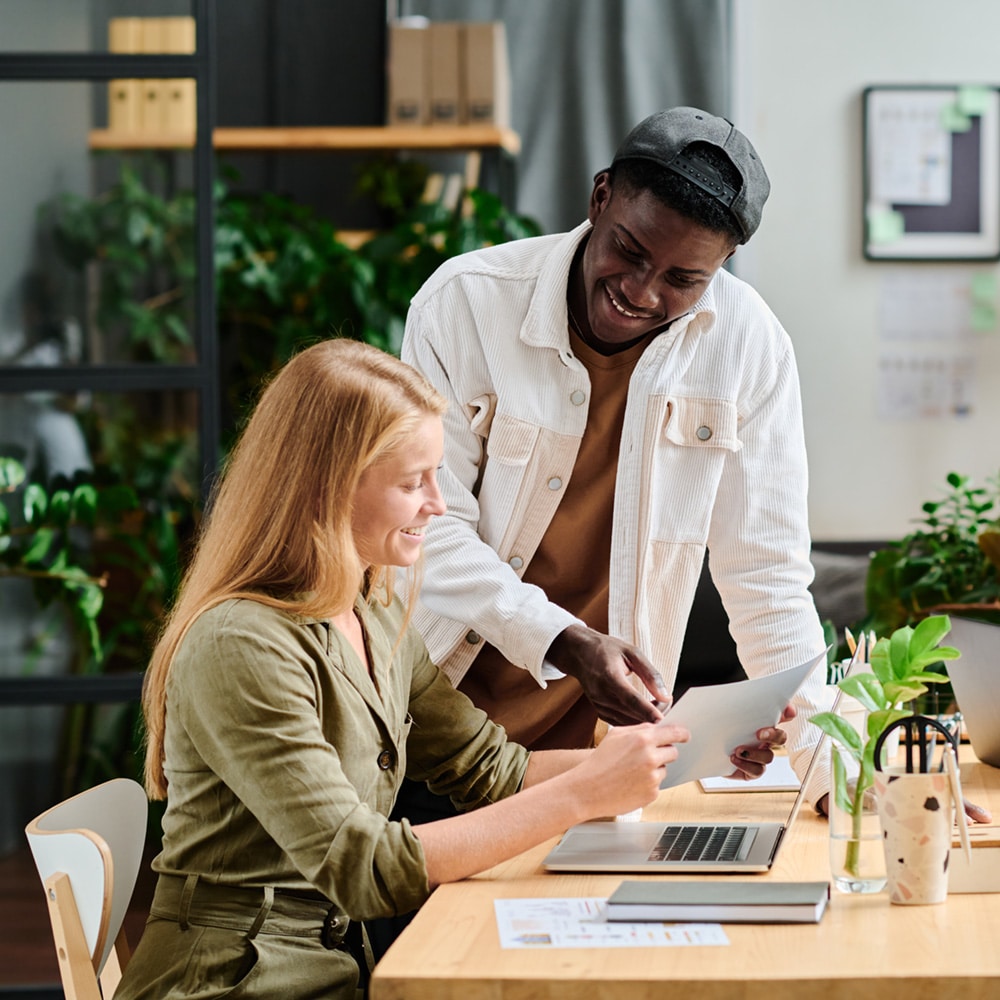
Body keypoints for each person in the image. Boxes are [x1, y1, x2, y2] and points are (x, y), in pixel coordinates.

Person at [115, 339, 687, 1000]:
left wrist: (678, 750)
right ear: (328, 488)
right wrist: (586, 793)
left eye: (437, 475)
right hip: (232, 981)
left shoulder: (374, 611)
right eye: (413, 481)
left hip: (335, 967)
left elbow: (495, 772)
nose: (438, 505)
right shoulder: (241, 645)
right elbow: (363, 868)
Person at [398, 106, 827, 803]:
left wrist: (850, 775)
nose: (641, 291)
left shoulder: (750, 347)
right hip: (437, 735)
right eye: (630, 250)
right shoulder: (467, 304)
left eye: (683, 279)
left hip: (606, 765)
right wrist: (564, 640)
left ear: (720, 268)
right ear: (601, 197)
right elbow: (426, 531)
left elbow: (768, 580)